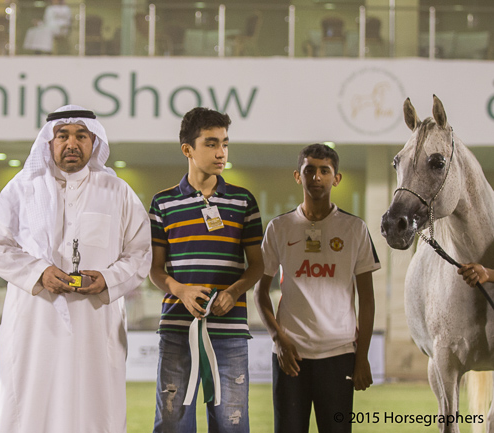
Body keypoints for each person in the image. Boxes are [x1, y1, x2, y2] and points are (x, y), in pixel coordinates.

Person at [0, 105, 152, 433]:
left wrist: (108, 278)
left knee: (95, 411)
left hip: (95, 323)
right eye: (63, 136)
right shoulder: (20, 189)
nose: (71, 144)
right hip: (35, 324)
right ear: (49, 142)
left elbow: (141, 251)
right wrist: (38, 273)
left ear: (94, 142)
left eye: (81, 136)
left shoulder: (117, 191)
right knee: (32, 410)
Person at [149, 107, 264, 433]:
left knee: (232, 424)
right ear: (187, 149)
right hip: (177, 329)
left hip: (230, 332)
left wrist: (233, 292)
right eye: (211, 144)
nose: (221, 152)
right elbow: (155, 270)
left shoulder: (243, 201)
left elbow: (257, 265)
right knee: (172, 424)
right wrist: (181, 291)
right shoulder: (162, 203)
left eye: (225, 143)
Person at [254, 143, 380, 433]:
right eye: (309, 170)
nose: (316, 177)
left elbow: (367, 299)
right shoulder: (279, 228)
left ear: (337, 178)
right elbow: (260, 293)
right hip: (290, 356)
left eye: (325, 171)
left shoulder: (355, 229)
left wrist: (362, 356)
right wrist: (278, 338)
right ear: (297, 176)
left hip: (339, 355)